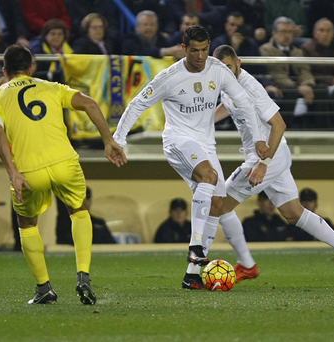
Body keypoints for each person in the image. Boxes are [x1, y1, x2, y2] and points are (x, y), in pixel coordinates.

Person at [113, 25, 268, 290]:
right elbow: (137, 103)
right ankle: (196, 247)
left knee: (217, 204)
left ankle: (192, 275)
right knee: (209, 175)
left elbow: (242, 101)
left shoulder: (217, 69)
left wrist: (258, 140)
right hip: (177, 141)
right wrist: (118, 139)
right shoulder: (169, 77)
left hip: (206, 144)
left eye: (205, 50)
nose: (200, 56)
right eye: (194, 50)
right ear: (183, 48)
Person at [211, 44, 334, 287]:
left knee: (218, 205)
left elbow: (279, 124)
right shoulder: (226, 84)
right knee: (294, 213)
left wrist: (263, 164)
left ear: (238, 63)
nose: (225, 73)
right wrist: (205, 121)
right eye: (220, 69)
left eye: (229, 67)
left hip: (266, 157)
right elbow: (227, 107)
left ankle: (247, 265)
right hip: (274, 155)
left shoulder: (251, 88)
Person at [0, 44, 126, 304]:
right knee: (79, 211)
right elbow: (90, 103)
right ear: (31, 68)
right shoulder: (52, 87)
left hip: (28, 170)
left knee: (27, 224)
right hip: (64, 163)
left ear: (5, 71)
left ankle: (43, 288)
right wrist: (108, 140)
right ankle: (83, 275)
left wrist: (12, 171)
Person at [259, 16, 330, 129]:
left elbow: (305, 71)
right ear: (274, 33)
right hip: (280, 85)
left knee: (321, 89)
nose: (287, 35)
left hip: (300, 86)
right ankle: (286, 129)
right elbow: (276, 74)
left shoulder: (298, 51)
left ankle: (320, 128)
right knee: (289, 91)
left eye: (290, 32)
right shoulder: (266, 50)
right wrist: (298, 88)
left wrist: (307, 85)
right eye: (283, 32)